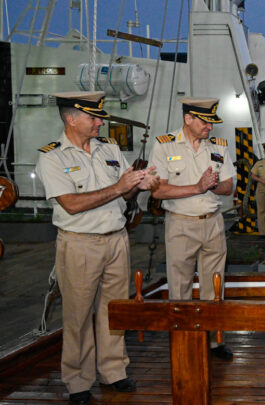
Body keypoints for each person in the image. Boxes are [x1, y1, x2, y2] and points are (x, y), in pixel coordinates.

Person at [35, 91, 159, 405]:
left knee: (114, 311)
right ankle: (78, 381)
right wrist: (119, 186)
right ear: (71, 118)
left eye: (99, 116)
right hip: (79, 244)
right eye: (93, 117)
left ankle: (114, 371)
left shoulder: (110, 149)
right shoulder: (53, 157)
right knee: (77, 316)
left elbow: (125, 196)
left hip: (117, 240)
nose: (99, 122)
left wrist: (136, 187)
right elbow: (72, 205)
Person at [149, 97, 236, 360]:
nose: (210, 128)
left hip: (212, 222)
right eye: (205, 122)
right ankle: (184, 339)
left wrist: (212, 185)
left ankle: (213, 340)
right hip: (181, 224)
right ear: (188, 119)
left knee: (214, 285)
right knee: (180, 286)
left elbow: (228, 186)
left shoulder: (219, 147)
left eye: (211, 123)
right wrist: (196, 187)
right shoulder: (164, 146)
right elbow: (158, 191)